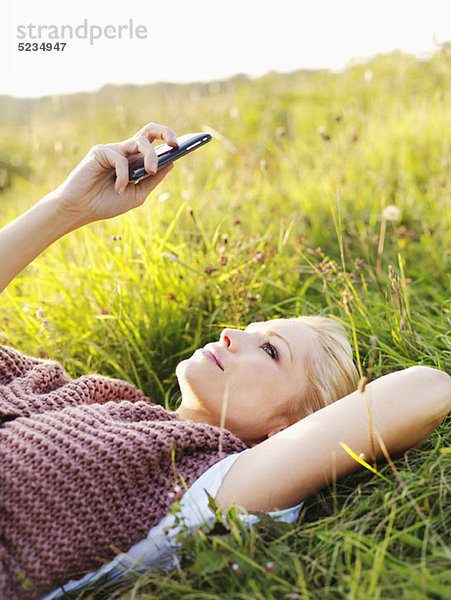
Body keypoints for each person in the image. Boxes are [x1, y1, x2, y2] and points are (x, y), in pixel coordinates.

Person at [0, 123, 449, 600]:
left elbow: (427, 388)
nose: (231, 335)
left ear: (288, 427)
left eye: (271, 350)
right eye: (251, 332)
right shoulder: (85, 398)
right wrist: (66, 206)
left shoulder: (207, 484)